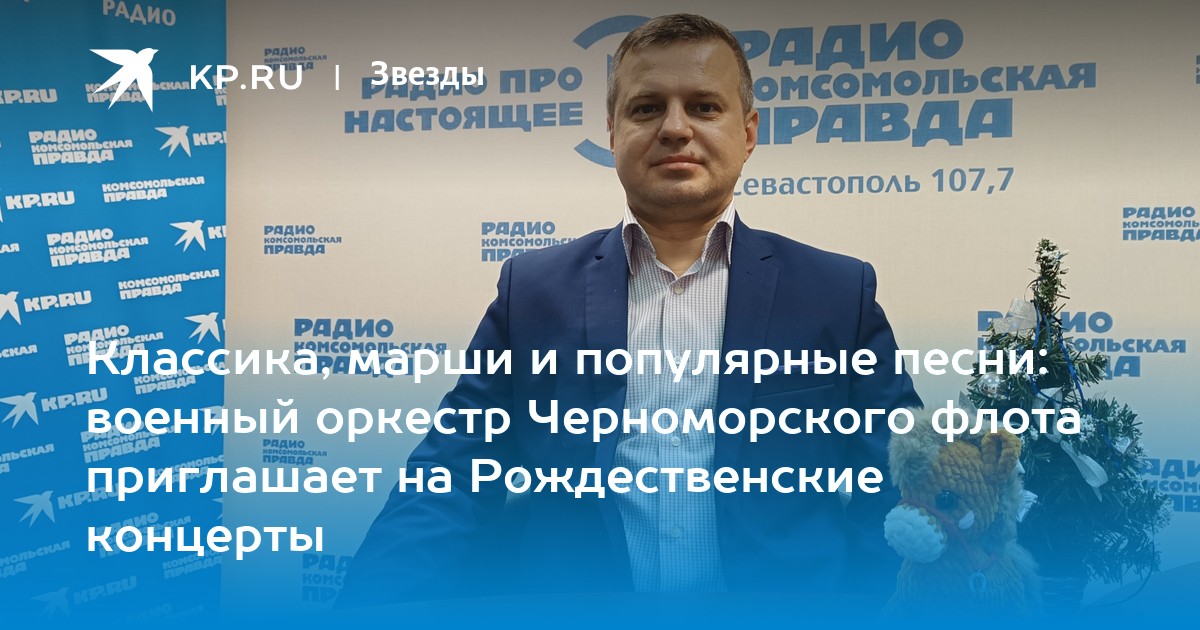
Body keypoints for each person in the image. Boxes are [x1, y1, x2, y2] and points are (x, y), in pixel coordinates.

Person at [337, 13, 921, 608]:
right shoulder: (531, 292)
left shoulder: (836, 292)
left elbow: (902, 486)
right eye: (647, 108)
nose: (675, 128)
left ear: (748, 132)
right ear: (613, 133)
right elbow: (449, 478)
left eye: (704, 107)